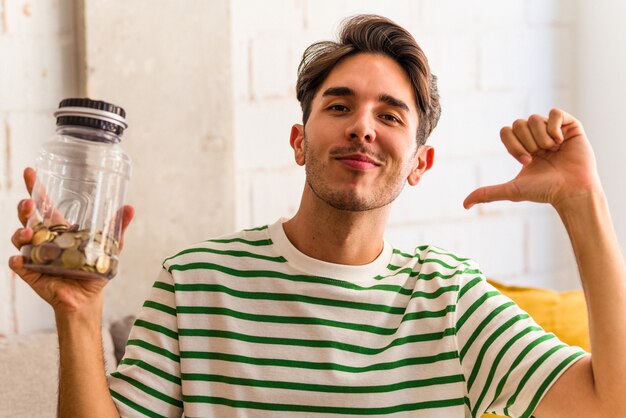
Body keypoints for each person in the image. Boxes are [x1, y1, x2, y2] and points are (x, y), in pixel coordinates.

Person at [9, 14, 626, 418]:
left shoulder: (451, 299)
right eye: (340, 105)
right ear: (300, 141)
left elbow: (611, 403)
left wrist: (583, 201)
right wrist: (79, 313)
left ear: (419, 162)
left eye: (390, 115)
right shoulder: (195, 282)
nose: (362, 125)